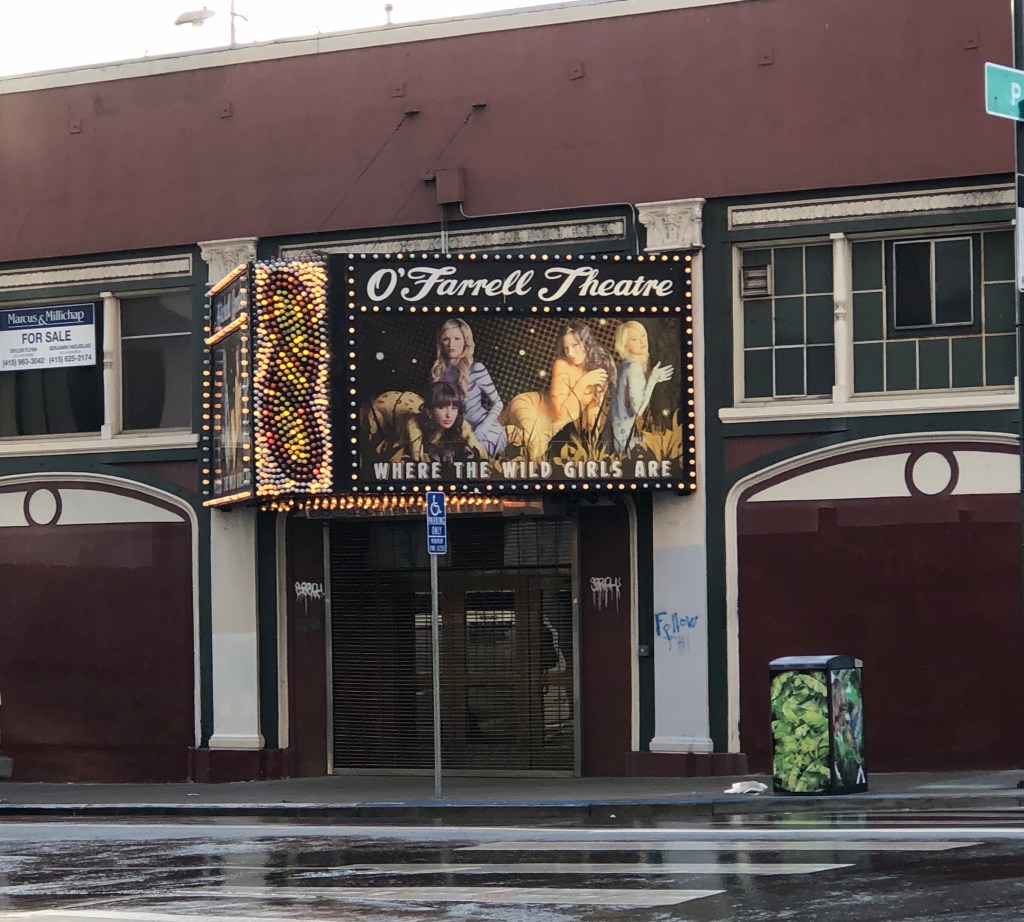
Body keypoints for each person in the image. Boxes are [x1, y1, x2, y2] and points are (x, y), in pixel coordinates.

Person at [507, 319, 615, 461]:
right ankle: (504, 432)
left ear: (587, 342)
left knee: (538, 449)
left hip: (549, 430)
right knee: (534, 446)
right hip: (530, 404)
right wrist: (584, 382)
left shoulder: (599, 369)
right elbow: (561, 413)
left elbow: (591, 422)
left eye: (575, 345)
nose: (570, 353)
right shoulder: (562, 364)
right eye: (566, 348)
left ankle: (508, 431)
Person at [430, 318, 507, 457]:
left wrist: (485, 426)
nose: (451, 344)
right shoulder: (438, 373)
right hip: (455, 432)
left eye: (457, 338)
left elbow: (498, 403)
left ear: (465, 342)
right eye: (446, 339)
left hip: (482, 429)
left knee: (473, 455)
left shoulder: (477, 369)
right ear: (441, 343)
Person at [364, 382, 484, 464]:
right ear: (430, 409)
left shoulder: (459, 422)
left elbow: (481, 453)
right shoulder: (414, 425)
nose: (449, 415)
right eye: (441, 407)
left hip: (407, 402)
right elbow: (419, 461)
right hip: (383, 405)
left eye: (454, 408)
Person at [608, 320, 673, 453]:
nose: (642, 341)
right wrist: (652, 380)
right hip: (624, 441)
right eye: (634, 339)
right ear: (625, 345)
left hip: (617, 437)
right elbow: (638, 410)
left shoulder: (623, 366)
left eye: (643, 336)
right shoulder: (634, 368)